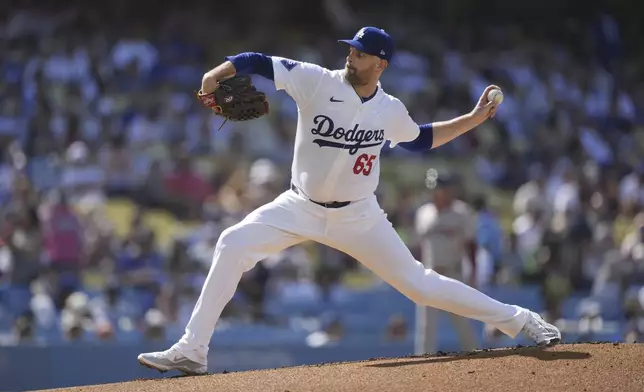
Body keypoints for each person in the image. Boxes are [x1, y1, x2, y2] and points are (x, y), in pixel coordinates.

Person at [138, 26, 560, 375]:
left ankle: (522, 320)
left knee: (420, 286)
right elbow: (256, 60)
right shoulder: (316, 80)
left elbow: (421, 140)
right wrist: (216, 74)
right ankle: (193, 350)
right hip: (298, 206)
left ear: (380, 64)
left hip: (359, 216)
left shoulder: (389, 109)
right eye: (351, 50)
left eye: (360, 54)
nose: (351, 57)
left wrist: (471, 120)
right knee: (232, 243)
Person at [414, 170, 479, 354]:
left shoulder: (462, 212)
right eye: (435, 189)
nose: (438, 192)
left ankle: (476, 356)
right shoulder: (423, 213)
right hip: (429, 274)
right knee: (426, 326)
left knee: (462, 320)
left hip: (453, 273)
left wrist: (474, 272)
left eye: (442, 189)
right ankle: (423, 363)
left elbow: (471, 245)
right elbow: (419, 246)